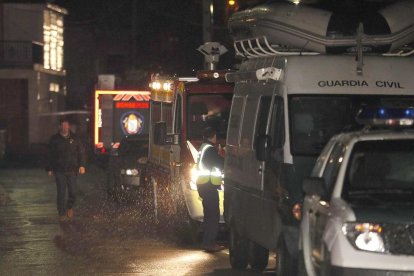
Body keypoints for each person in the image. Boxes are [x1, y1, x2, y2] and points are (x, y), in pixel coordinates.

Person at [46, 118, 86, 222]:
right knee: (61, 192)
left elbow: (81, 152)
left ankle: (70, 207)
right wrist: (49, 168)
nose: (65, 127)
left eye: (67, 125)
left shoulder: (75, 138)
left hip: (72, 170)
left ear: (69, 126)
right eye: (63, 125)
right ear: (60, 127)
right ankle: (61, 213)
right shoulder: (54, 139)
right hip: (59, 170)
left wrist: (82, 165)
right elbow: (49, 155)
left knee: (73, 192)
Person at [196, 127, 225, 252]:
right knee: (213, 216)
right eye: (215, 136)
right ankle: (210, 243)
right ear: (212, 136)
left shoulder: (203, 147)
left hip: (204, 186)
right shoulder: (210, 149)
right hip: (209, 187)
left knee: (208, 216)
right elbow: (218, 163)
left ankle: (206, 242)